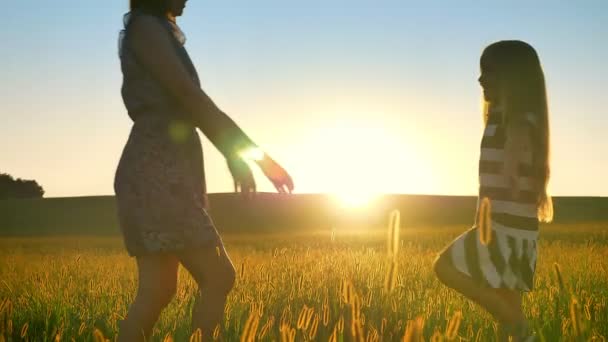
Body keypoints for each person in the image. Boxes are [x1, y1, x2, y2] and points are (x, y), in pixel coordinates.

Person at [114, 0, 294, 340]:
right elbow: (190, 97)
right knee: (218, 276)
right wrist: (250, 156)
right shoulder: (146, 29)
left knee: (157, 291)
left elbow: (191, 99)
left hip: (163, 169)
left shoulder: (152, 29)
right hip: (158, 171)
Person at [433, 40, 553, 341]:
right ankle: (515, 324)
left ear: (515, 80)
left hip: (503, 230)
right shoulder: (501, 119)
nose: (481, 80)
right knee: (508, 331)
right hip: (511, 231)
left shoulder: (519, 122)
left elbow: (516, 149)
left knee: (444, 266)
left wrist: (512, 166)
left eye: (490, 73)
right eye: (481, 72)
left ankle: (513, 318)